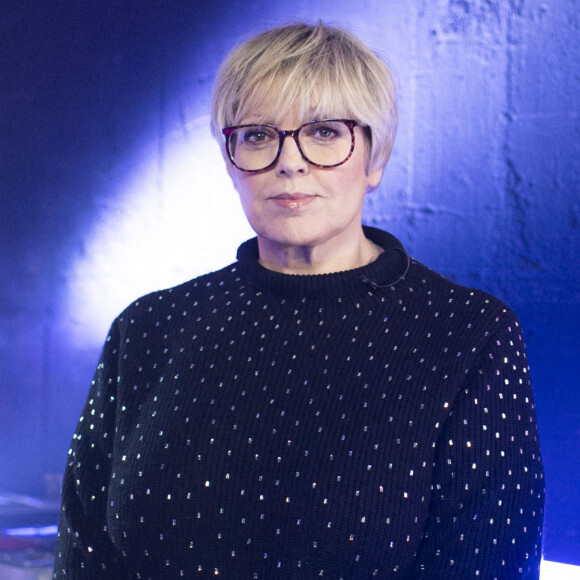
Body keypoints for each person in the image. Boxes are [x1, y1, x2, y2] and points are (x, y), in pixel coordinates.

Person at [53, 22, 544, 579]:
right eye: (260, 135)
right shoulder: (149, 327)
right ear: (231, 161)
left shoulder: (466, 333)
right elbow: (85, 555)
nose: (290, 161)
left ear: (375, 158)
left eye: (326, 132)